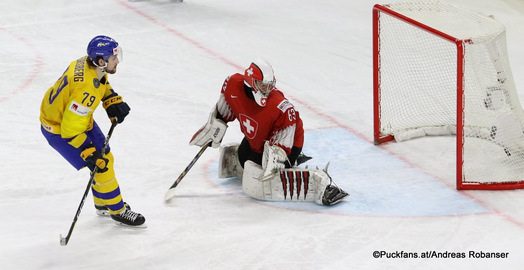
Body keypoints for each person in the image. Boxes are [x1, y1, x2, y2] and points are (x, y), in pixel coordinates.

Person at [190, 59, 348, 205]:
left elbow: (288, 131)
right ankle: (284, 164)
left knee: (259, 182)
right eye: (263, 85)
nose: (267, 89)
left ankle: (320, 182)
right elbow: (226, 111)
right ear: (251, 81)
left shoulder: (279, 105)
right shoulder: (232, 84)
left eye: (270, 85)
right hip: (258, 139)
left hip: (288, 143)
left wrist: (277, 156)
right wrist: (216, 126)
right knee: (241, 158)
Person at [40, 35, 146, 227]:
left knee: (105, 158)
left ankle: (103, 202)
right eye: (113, 58)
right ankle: (118, 210)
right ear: (101, 61)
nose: (117, 61)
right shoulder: (86, 91)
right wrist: (88, 152)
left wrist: (110, 99)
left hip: (76, 119)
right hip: (60, 130)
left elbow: (100, 80)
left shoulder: (87, 63)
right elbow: (70, 130)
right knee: (101, 163)